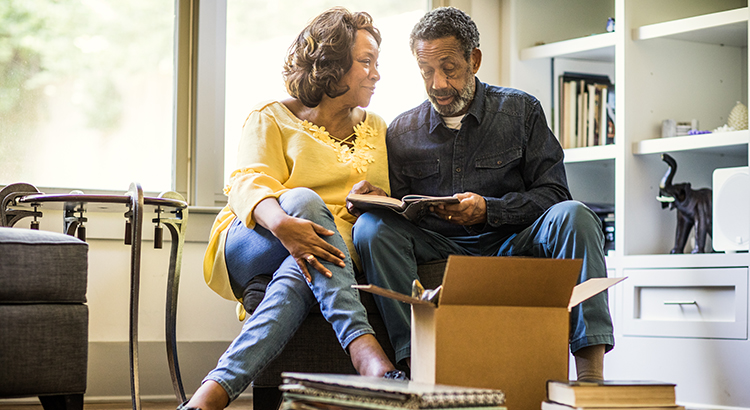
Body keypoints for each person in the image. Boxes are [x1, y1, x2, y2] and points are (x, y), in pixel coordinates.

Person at [349, 6, 613, 381]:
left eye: (449, 68)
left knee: (576, 215)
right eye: (427, 72)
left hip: (510, 240)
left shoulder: (521, 111)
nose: (438, 84)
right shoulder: (402, 131)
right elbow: (403, 212)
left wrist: (489, 210)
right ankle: (415, 367)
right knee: (371, 229)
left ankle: (590, 376)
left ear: (474, 60)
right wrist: (376, 200)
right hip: (438, 243)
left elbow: (554, 193)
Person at [182, 7, 404, 410]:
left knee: (301, 271)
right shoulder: (272, 117)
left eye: (377, 62)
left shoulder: (378, 128)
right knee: (304, 199)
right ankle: (363, 347)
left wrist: (368, 197)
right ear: (332, 66)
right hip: (258, 233)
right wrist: (285, 224)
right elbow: (248, 182)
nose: (376, 73)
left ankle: (208, 398)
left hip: (331, 247)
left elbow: (382, 207)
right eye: (366, 62)